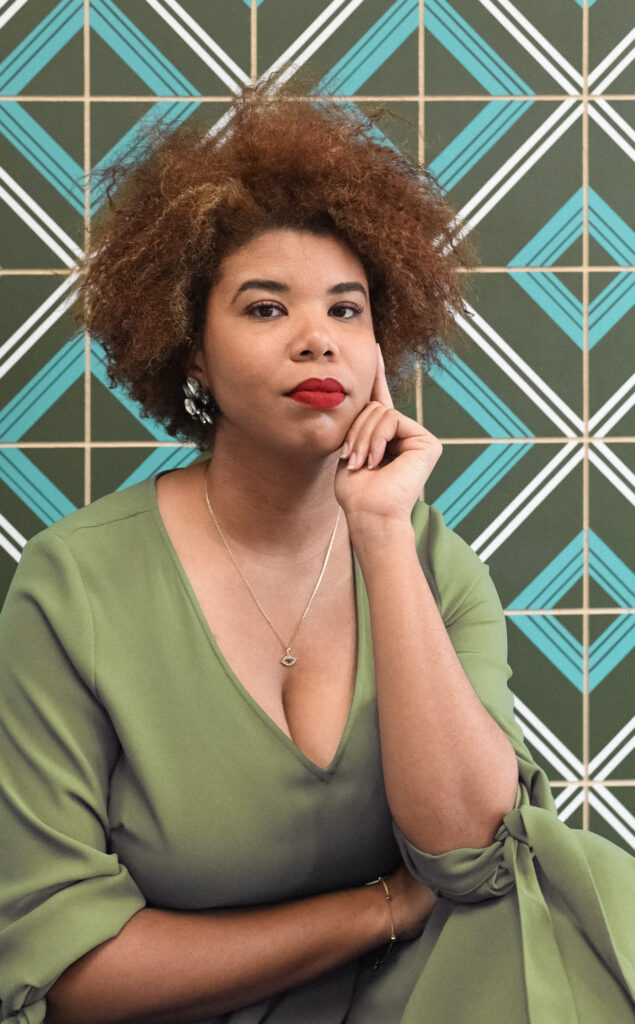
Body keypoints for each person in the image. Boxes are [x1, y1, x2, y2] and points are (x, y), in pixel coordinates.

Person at [0, 74, 633, 1024]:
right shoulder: (72, 585)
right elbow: (72, 972)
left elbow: (469, 854)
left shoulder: (430, 559)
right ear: (193, 354)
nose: (317, 341)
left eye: (347, 310)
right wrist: (373, 911)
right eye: (265, 309)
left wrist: (381, 533)